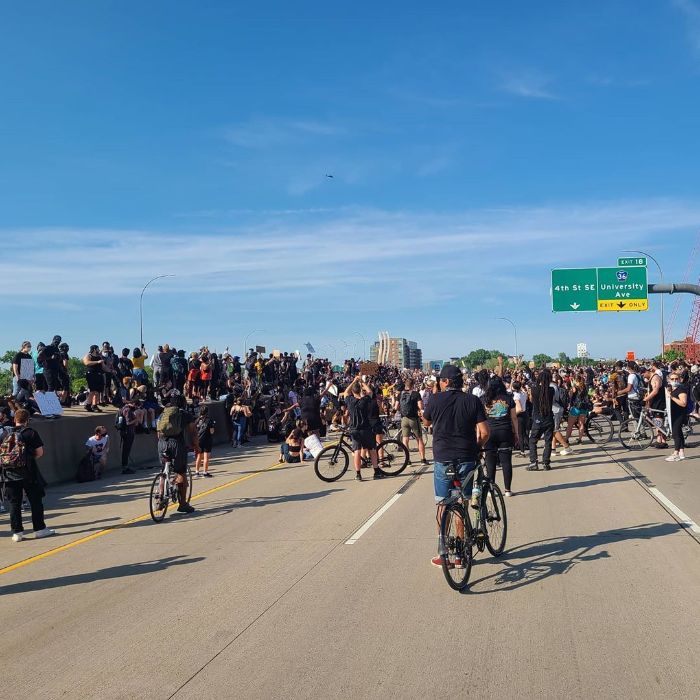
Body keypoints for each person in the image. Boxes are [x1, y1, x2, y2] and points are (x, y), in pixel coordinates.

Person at [422, 364, 488, 568]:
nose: (439, 383)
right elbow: (485, 432)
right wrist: (478, 448)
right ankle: (460, 555)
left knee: (443, 504)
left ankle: (444, 554)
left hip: (443, 458)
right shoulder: (472, 400)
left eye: (440, 380)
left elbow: (425, 422)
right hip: (466, 457)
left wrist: (435, 398)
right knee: (461, 503)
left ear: (446, 382)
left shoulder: (434, 400)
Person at [1, 409, 55, 542]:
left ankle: (17, 533)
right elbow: (40, 452)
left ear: (15, 419)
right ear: (27, 420)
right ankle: (39, 529)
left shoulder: (6, 434)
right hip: (28, 473)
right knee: (35, 500)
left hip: (9, 473)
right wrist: (28, 460)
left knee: (14, 503)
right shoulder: (31, 433)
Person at [156, 394, 198, 514]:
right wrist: (196, 446)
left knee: (164, 471)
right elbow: (193, 432)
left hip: (162, 443)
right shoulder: (184, 414)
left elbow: (158, 432)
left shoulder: (163, 414)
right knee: (181, 473)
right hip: (176, 444)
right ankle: (183, 504)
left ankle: (159, 497)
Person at [481, 376, 518, 497]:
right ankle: (507, 489)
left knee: (490, 462)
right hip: (505, 431)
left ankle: (491, 489)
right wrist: (516, 433)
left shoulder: (484, 399)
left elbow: (480, 419)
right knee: (506, 461)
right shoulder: (508, 399)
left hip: (489, 432)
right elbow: (513, 417)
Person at [343, 375, 381, 481]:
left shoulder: (350, 401)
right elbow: (369, 392)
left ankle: (358, 474)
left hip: (354, 430)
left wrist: (353, 381)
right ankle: (376, 471)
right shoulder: (364, 400)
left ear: (353, 392)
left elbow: (346, 392)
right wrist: (362, 382)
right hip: (366, 429)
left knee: (357, 452)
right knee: (372, 450)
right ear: (360, 391)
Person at [526, 369, 555, 471]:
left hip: (538, 418)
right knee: (548, 441)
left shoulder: (534, 390)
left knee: (532, 440)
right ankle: (546, 463)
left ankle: (534, 462)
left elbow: (531, 399)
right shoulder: (551, 390)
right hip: (549, 418)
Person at [395, 378, 428, 465]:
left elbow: (396, 407)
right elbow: (421, 406)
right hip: (413, 419)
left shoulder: (400, 394)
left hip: (404, 419)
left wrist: (402, 410)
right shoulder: (415, 394)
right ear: (413, 385)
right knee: (419, 439)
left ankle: (407, 460)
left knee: (405, 439)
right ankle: (423, 459)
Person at [665, 371, 688, 462]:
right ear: (669, 380)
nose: (675, 380)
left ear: (680, 379)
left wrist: (671, 397)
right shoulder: (672, 389)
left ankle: (676, 453)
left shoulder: (681, 389)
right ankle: (681, 452)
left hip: (679, 414)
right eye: (672, 379)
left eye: (676, 379)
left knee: (675, 433)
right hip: (673, 414)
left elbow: (683, 403)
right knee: (679, 433)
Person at [83, 345, 105, 412]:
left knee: (97, 391)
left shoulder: (99, 357)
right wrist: (97, 362)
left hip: (99, 375)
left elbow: (103, 367)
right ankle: (88, 405)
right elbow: (86, 363)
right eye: (98, 349)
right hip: (91, 374)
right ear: (95, 349)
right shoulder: (88, 355)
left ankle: (94, 405)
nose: (99, 350)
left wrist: (111, 370)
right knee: (93, 390)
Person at [194, 406, 215, 477]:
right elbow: (211, 431)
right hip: (207, 440)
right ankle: (205, 472)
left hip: (198, 440)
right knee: (206, 457)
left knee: (199, 456)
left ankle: (196, 472)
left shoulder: (197, 420)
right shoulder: (209, 420)